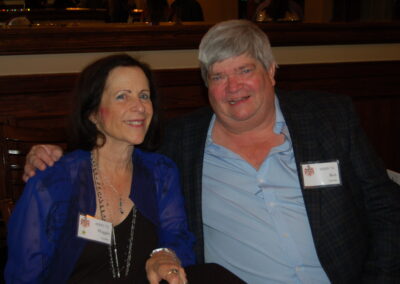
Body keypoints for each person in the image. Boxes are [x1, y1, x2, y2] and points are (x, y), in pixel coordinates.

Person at [22, 20, 400, 283]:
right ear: (206, 86)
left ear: (271, 71)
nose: (232, 86)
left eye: (244, 70)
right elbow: (114, 143)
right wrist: (53, 153)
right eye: (218, 76)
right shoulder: (180, 143)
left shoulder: (328, 120)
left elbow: (388, 212)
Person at [5, 54, 195, 283]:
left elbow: (177, 237)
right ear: (93, 113)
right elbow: (25, 274)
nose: (140, 107)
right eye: (122, 96)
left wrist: (166, 256)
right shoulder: (53, 182)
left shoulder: (161, 173)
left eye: (144, 96)